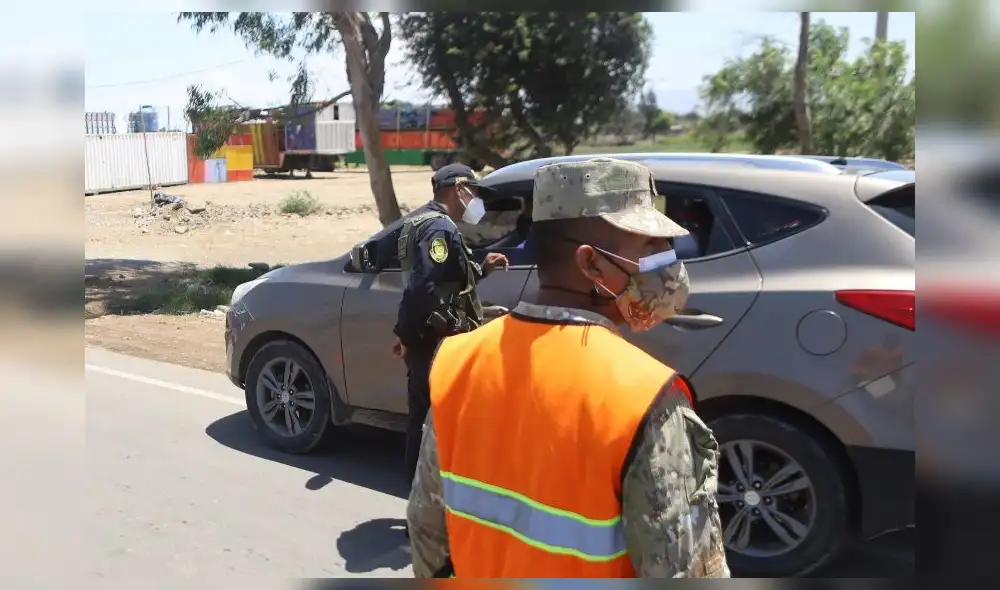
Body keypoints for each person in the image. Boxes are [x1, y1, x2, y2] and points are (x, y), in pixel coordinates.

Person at [406, 157, 730, 578]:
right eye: (650, 247)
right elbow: (685, 571)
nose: (669, 260)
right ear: (592, 264)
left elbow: (426, 530)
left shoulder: (459, 360)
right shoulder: (646, 399)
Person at [392, 163, 509, 500]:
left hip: (430, 340)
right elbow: (422, 287)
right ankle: (421, 502)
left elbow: (445, 281)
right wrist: (408, 337)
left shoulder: (427, 222)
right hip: (433, 343)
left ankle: (427, 500)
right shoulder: (439, 229)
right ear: (459, 189)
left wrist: (481, 270)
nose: (475, 199)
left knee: (429, 419)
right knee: (429, 422)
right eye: (473, 190)